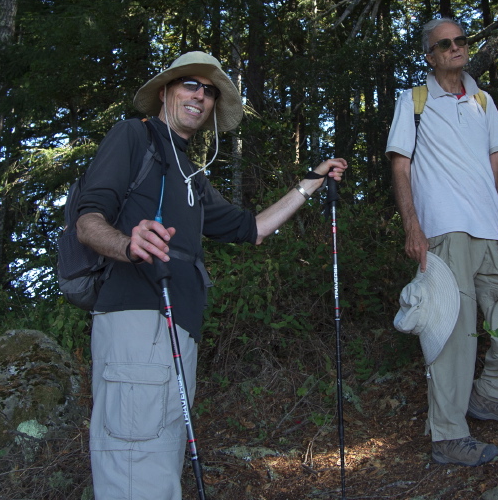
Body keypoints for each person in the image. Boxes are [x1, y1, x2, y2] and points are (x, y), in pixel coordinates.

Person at [75, 51, 347, 499]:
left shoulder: (190, 173)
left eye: (209, 90)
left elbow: (252, 229)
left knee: (159, 467)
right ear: (165, 91)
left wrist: (310, 183)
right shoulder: (133, 136)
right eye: (190, 84)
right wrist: (127, 244)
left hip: (178, 330)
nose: (200, 96)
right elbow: (88, 221)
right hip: (136, 321)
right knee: (134, 468)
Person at [386, 18, 498, 467]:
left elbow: (497, 164)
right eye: (445, 44)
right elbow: (400, 166)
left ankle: (493, 395)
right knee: (451, 328)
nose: (455, 47)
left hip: (494, 227)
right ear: (430, 56)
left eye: (460, 40)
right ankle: (449, 436)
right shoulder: (413, 101)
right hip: (444, 229)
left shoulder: (482, 100)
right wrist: (413, 227)